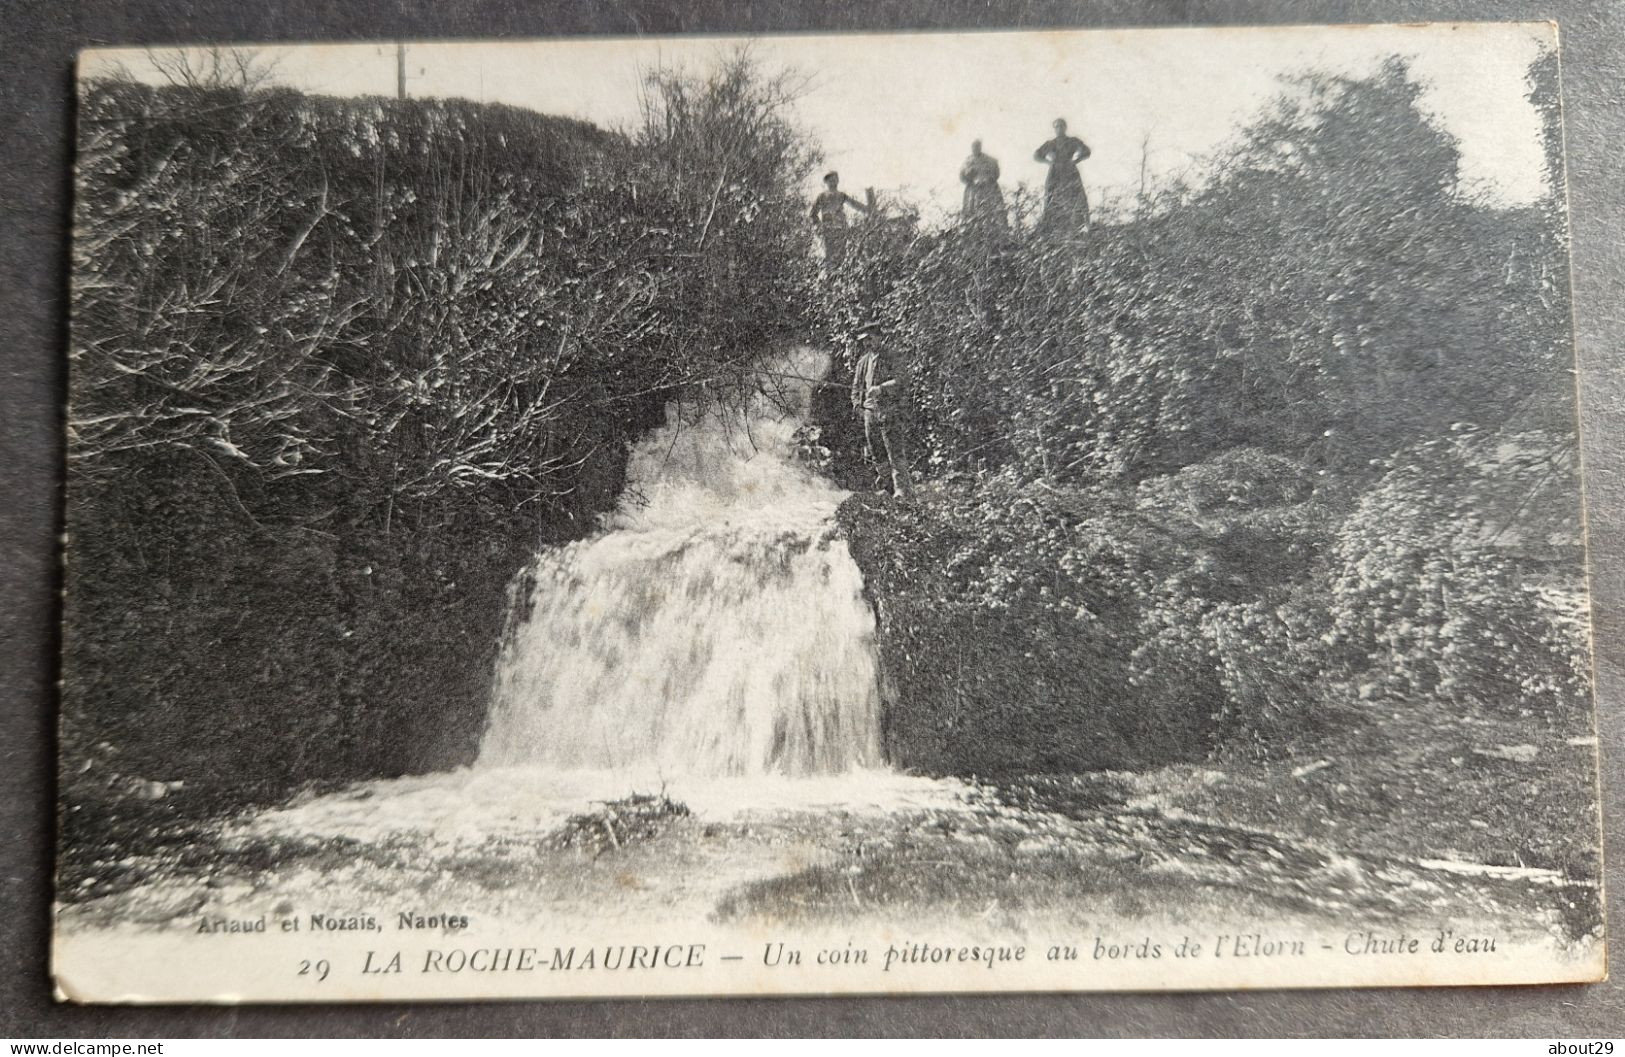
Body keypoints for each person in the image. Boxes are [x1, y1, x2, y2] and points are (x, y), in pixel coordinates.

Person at [1033, 118, 1091, 234]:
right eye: (1057, 126)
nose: (1059, 128)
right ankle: (1051, 225)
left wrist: (1076, 160)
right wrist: (1048, 162)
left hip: (1070, 170)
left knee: (1076, 194)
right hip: (1055, 172)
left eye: (1061, 126)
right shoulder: (1050, 143)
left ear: (1065, 127)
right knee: (1051, 195)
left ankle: (1080, 224)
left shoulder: (1073, 141)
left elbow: (1087, 151)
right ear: (1054, 129)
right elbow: (1036, 155)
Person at [810, 171, 871, 264]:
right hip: (828, 231)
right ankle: (830, 275)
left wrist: (867, 210)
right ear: (826, 182)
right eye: (830, 181)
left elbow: (854, 204)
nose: (833, 183)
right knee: (830, 256)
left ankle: (840, 275)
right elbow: (813, 213)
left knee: (841, 255)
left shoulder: (841, 195)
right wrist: (819, 226)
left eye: (835, 180)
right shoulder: (822, 196)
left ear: (838, 181)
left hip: (841, 229)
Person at [959, 139, 1007, 231]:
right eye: (974, 146)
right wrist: (970, 178)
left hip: (989, 190)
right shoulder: (967, 162)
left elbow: (996, 174)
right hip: (973, 191)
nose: (975, 148)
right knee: (972, 213)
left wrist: (988, 179)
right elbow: (961, 176)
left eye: (977, 146)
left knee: (994, 212)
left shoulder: (990, 160)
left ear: (980, 147)